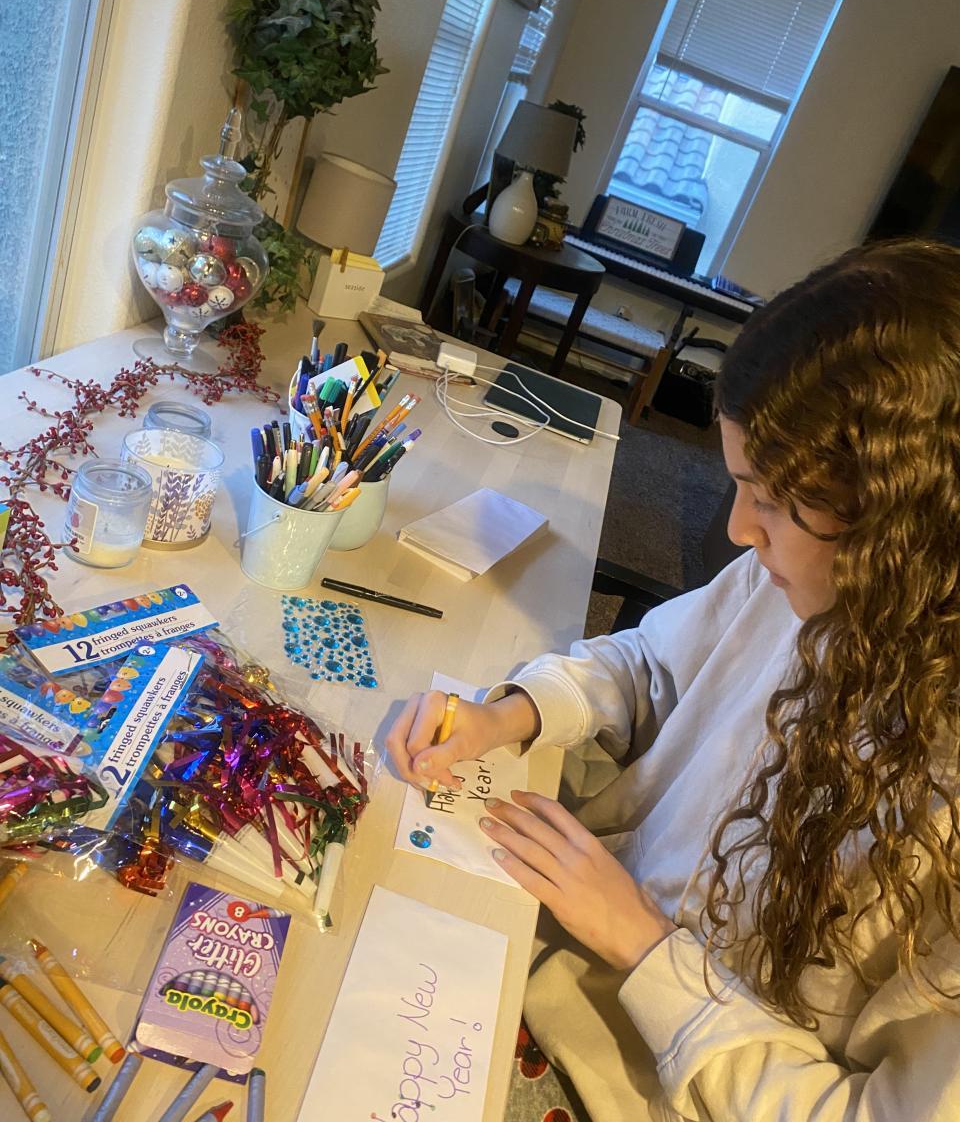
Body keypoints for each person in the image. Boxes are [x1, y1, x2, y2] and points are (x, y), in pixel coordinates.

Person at [386, 239, 960, 1120]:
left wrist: (645, 947)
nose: (738, 531)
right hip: (561, 938)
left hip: (638, 1083)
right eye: (743, 486)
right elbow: (649, 664)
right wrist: (511, 713)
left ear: (904, 528)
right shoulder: (804, 581)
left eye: (774, 502)